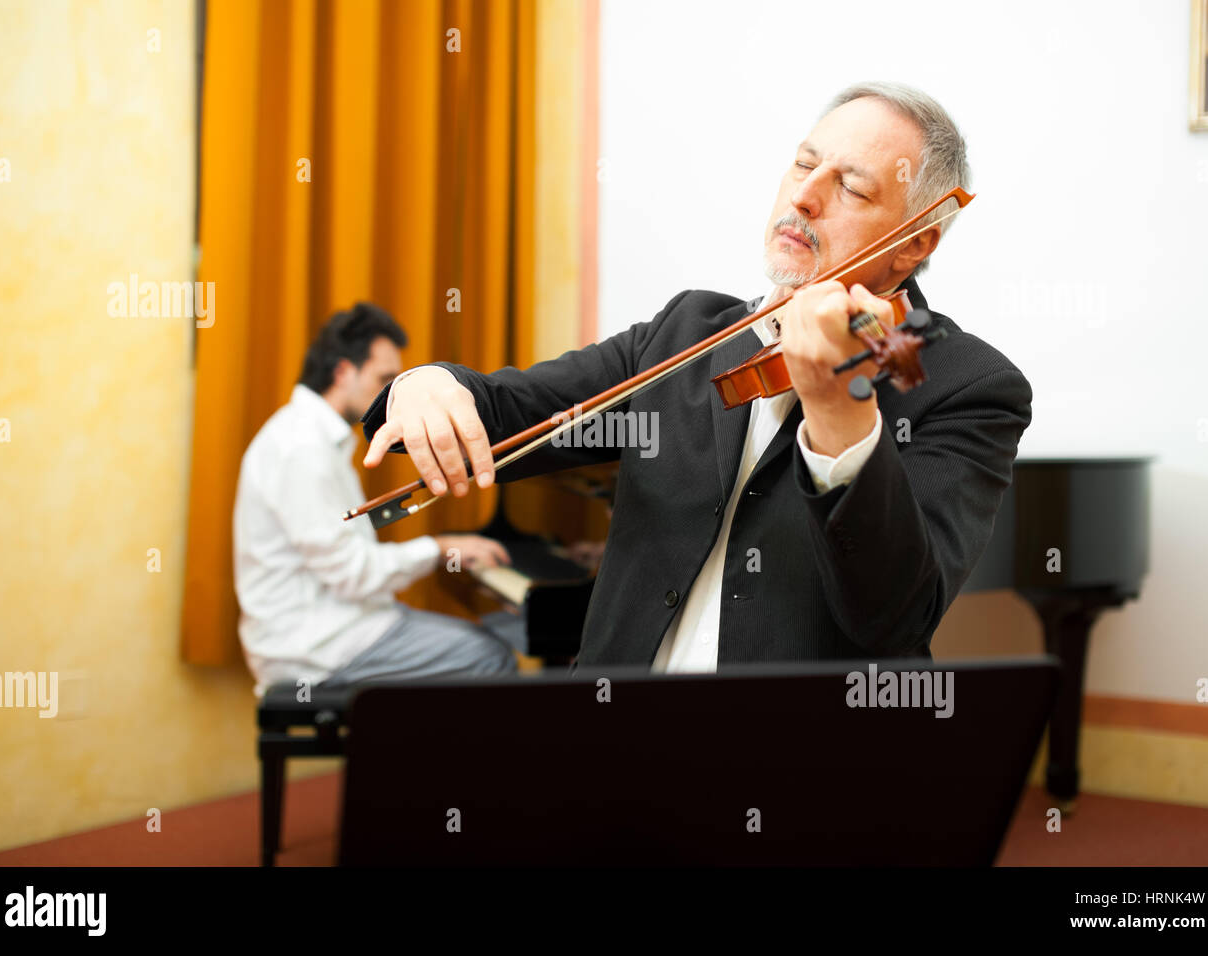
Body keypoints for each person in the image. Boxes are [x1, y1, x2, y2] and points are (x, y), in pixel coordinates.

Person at [360, 82, 1032, 672]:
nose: (804, 196)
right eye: (804, 164)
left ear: (915, 243)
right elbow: (507, 410)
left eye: (851, 188)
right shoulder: (686, 331)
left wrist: (839, 411)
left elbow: (894, 616)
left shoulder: (967, 387)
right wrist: (429, 384)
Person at [232, 302, 520, 696]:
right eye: (383, 379)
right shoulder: (300, 448)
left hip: (340, 624)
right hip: (316, 646)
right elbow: (352, 573)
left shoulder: (312, 437)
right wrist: (440, 548)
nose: (388, 398)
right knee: (488, 656)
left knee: (475, 645)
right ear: (342, 372)